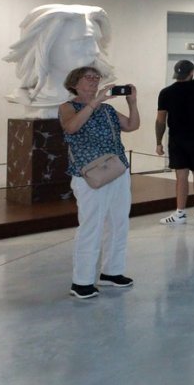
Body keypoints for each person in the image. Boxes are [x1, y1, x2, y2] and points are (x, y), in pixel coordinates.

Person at [59, 66, 140, 300]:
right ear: (74, 83)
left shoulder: (107, 109)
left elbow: (132, 125)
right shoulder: (68, 107)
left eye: (97, 77)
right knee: (91, 225)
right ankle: (81, 281)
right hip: (89, 174)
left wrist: (133, 103)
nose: (94, 80)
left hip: (117, 169)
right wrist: (95, 102)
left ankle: (112, 272)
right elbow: (71, 127)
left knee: (118, 221)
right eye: (89, 77)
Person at [155, 60, 194, 225]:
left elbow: (160, 120)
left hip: (177, 138)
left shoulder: (166, 92)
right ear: (192, 72)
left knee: (181, 175)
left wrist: (158, 142)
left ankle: (180, 213)